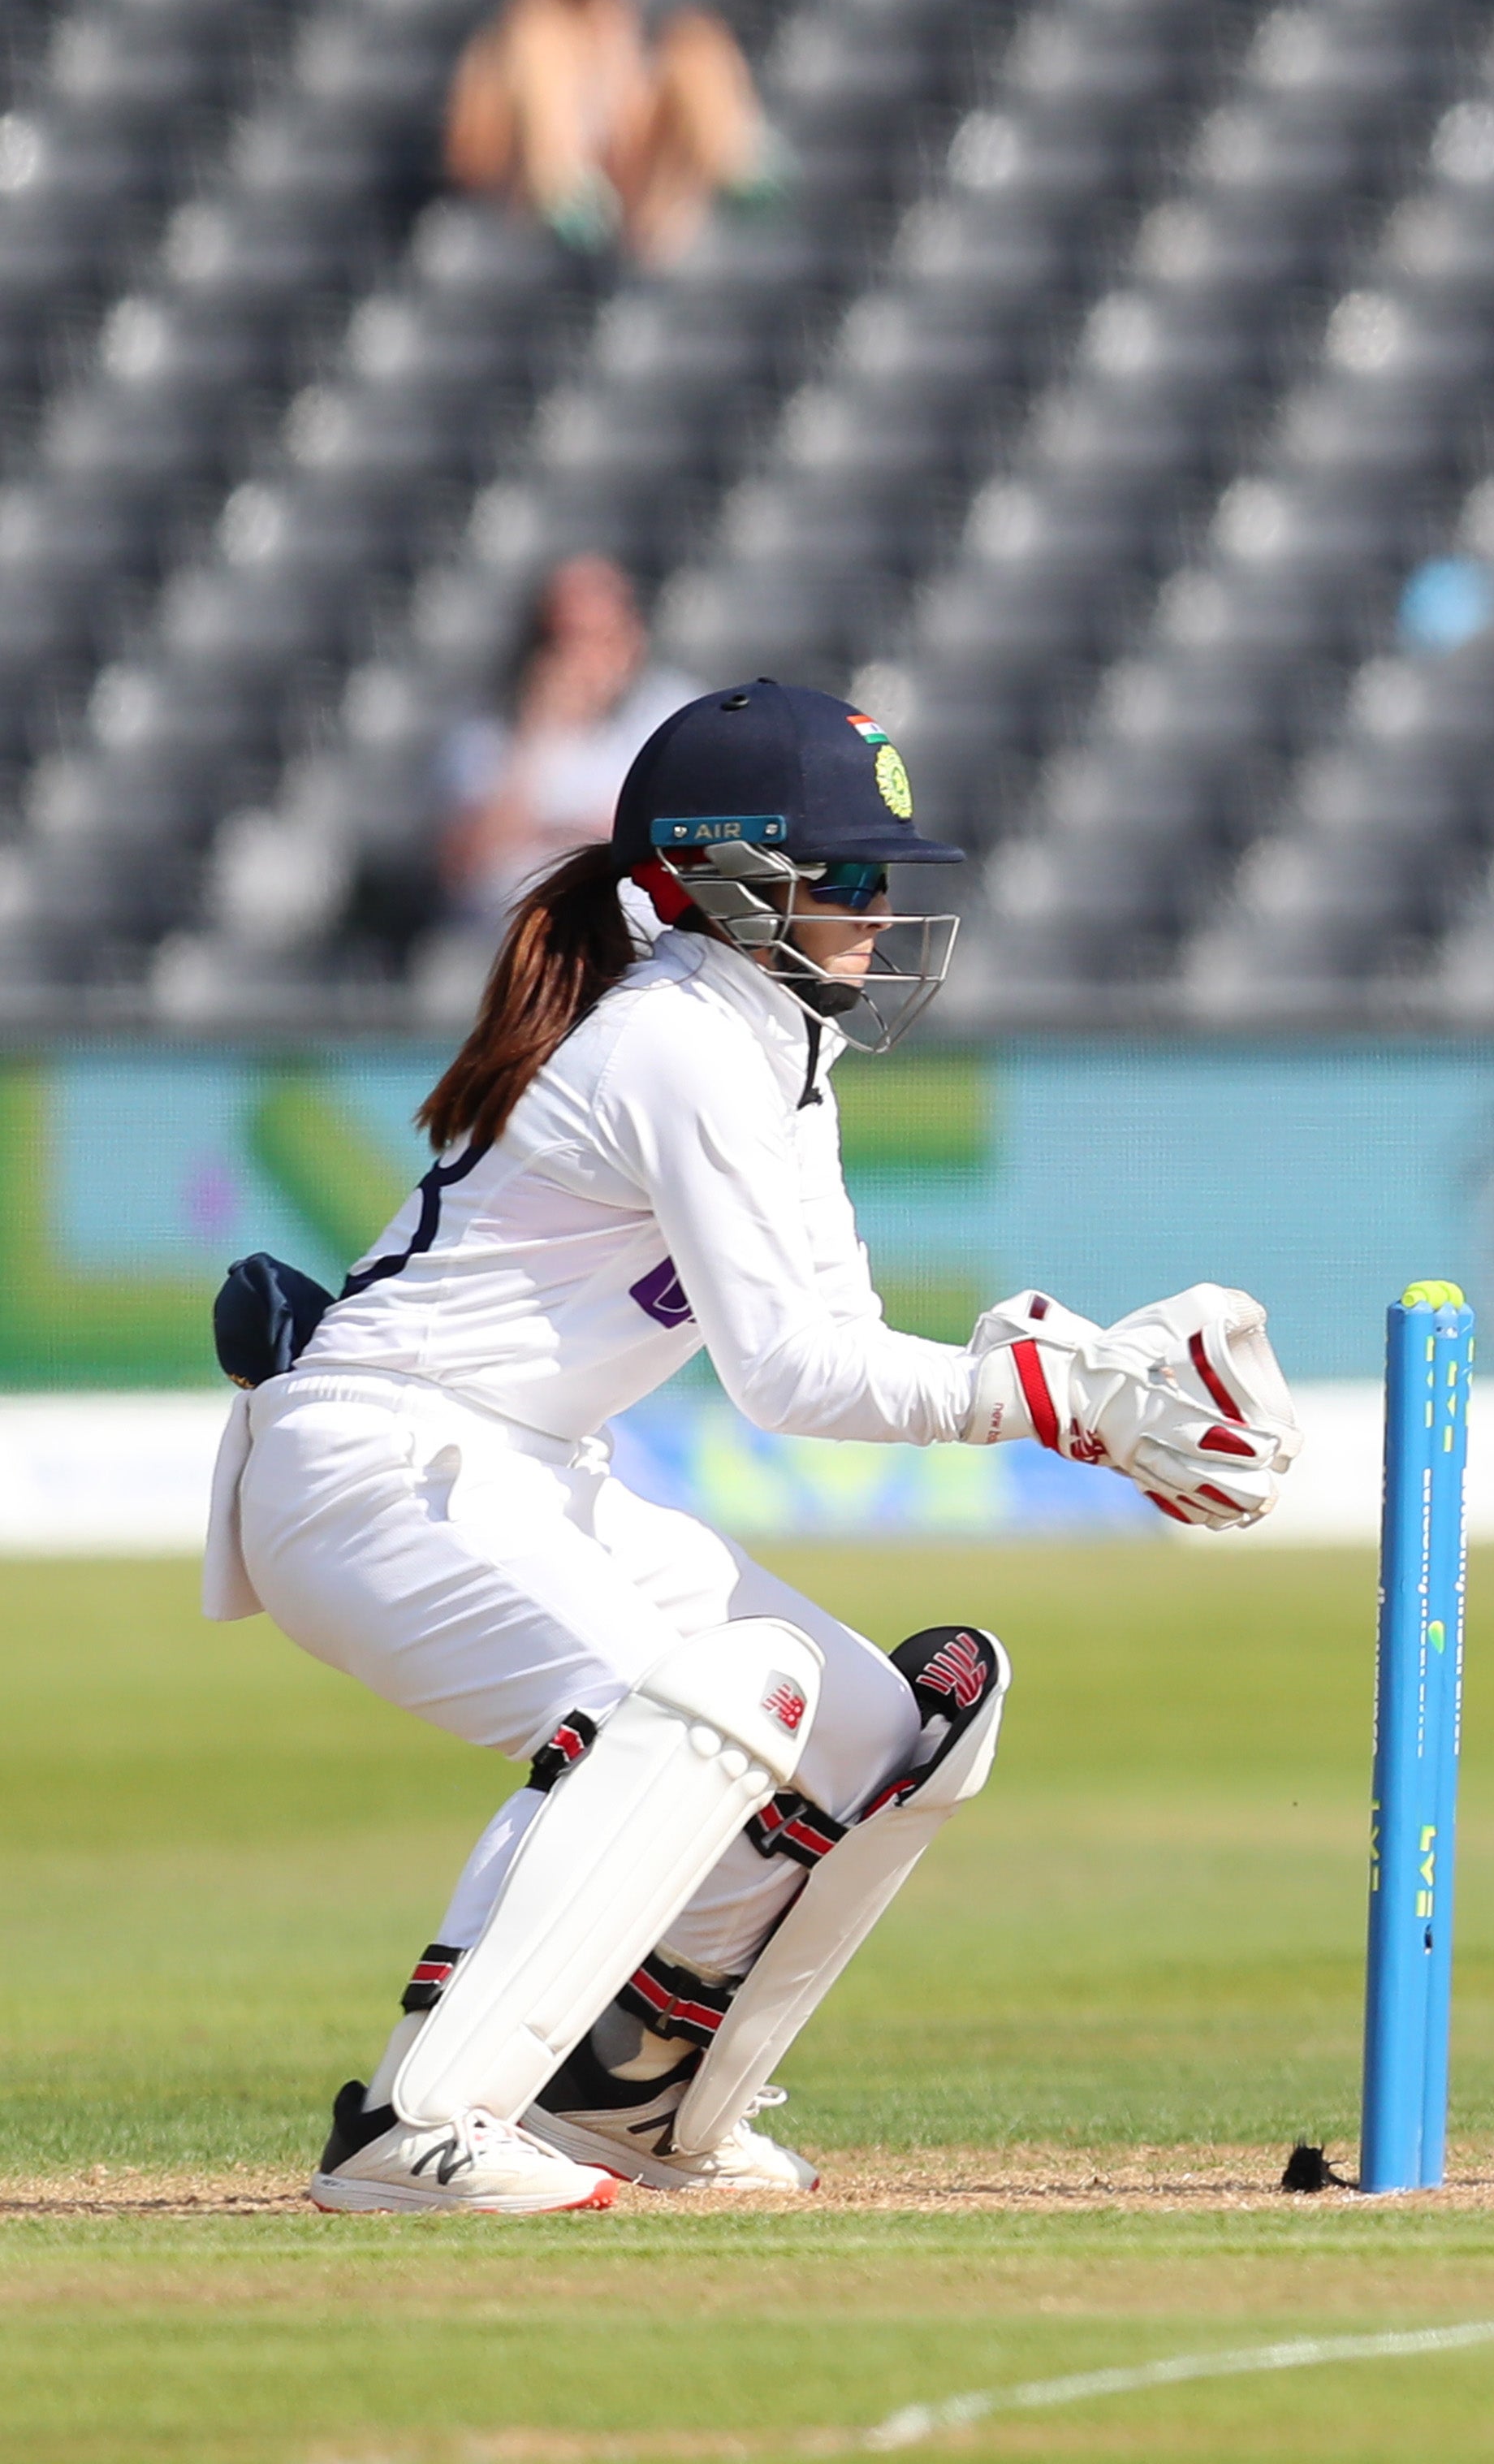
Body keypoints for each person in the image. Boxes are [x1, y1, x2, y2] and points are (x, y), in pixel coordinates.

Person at [207, 681, 1302, 2213]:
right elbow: (786, 1376)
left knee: (881, 1726)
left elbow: (837, 1342)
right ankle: (417, 2118)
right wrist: (1053, 1401)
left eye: (883, 878)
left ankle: (635, 2093)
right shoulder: (674, 1042)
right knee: (704, 1699)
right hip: (379, 1472)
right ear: (723, 877)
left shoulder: (778, 1050)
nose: (875, 910)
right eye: (844, 877)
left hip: (522, 1472)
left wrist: (1051, 1384)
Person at [447, 0, 774, 270]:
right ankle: (564, 192)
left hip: (638, 204)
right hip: (529, 194)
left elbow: (630, 123)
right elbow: (469, 152)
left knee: (695, 40)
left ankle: (738, 163)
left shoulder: (617, 18)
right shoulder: (526, 23)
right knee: (539, 35)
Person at [442, 555, 702, 923]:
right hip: (513, 927)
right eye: (564, 640)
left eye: (599, 639)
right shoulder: (491, 725)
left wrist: (550, 831)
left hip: (636, 923)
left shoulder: (671, 715)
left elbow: (668, 840)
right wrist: (540, 733)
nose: (582, 658)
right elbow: (465, 866)